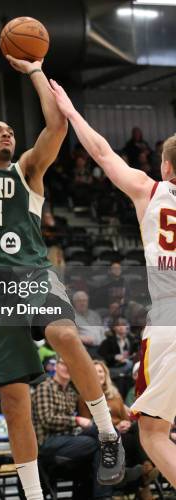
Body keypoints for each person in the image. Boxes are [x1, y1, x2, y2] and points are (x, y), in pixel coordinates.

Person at [0, 35, 124, 498]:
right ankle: (34, 497)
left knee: (63, 334)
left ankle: (108, 433)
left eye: (10, 130)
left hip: (33, 274)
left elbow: (55, 124)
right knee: (14, 403)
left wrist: (35, 69)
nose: (7, 133)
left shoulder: (28, 171)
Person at [50, 79, 176, 487]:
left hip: (169, 324)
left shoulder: (149, 190)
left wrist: (70, 111)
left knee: (153, 432)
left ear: (166, 167)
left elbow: (102, 153)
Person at [32, 357, 112, 500]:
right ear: (56, 366)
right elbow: (47, 420)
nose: (67, 367)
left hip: (69, 442)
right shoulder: (45, 387)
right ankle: (105, 494)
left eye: (70, 365)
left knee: (100, 443)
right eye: (63, 363)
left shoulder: (71, 392)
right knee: (99, 441)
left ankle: (102, 495)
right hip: (48, 444)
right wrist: (76, 420)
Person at [79, 361, 158, 500]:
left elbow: (125, 417)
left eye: (101, 371)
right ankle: (140, 478)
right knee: (122, 439)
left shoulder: (115, 394)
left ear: (106, 374)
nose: (99, 374)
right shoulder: (85, 396)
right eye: (95, 371)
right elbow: (87, 424)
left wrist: (125, 423)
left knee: (138, 426)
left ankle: (146, 466)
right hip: (103, 434)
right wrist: (114, 427)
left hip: (121, 434)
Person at [72, 290, 106, 357]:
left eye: (84, 300)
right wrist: (80, 338)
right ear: (74, 302)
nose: (82, 303)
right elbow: (69, 334)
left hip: (102, 347)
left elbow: (102, 330)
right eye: (79, 301)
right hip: (86, 348)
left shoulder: (94, 315)